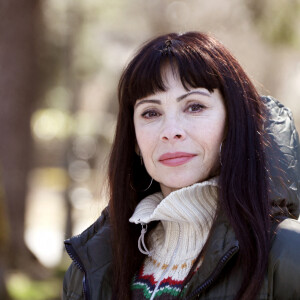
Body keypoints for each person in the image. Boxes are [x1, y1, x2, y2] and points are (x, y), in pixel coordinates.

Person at [62, 32, 300, 300]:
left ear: (232, 124)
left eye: (194, 107)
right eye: (151, 113)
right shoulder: (89, 270)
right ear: (135, 141)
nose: (170, 131)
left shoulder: (287, 255)